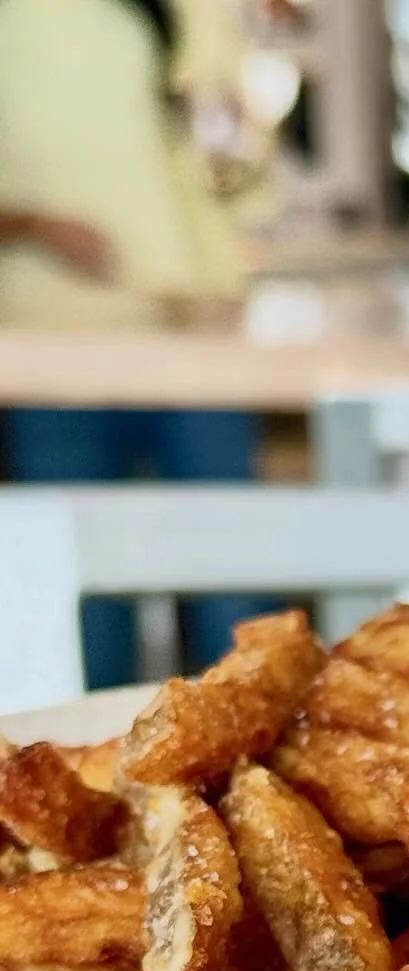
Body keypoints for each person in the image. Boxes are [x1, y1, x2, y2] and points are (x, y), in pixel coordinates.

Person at [0, 0, 275, 686]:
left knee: (236, 590)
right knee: (83, 603)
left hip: (190, 323)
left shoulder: (190, 11)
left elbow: (231, 157)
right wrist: (31, 223)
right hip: (54, 343)